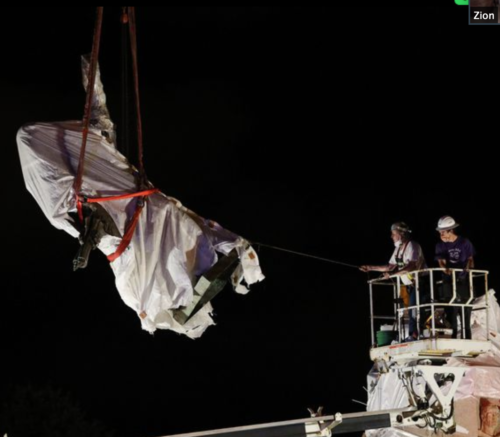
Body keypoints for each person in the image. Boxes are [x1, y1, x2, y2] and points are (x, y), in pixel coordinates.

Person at [360, 222, 428, 341]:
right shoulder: (398, 249)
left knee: (413, 310)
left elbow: (412, 266)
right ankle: (413, 334)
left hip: (420, 282)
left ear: (401, 234)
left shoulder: (412, 245)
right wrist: (370, 267)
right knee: (411, 309)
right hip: (409, 284)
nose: (392, 237)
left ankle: (414, 335)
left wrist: (392, 274)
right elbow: (390, 266)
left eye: (393, 234)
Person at [435, 215, 475, 339]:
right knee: (451, 309)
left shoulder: (464, 242)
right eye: (440, 233)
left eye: (443, 232)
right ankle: (453, 337)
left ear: (451, 230)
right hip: (449, 281)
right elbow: (441, 261)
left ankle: (467, 337)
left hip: (464, 281)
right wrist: (445, 269)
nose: (441, 235)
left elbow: (470, 260)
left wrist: (466, 270)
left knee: (465, 310)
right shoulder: (440, 245)